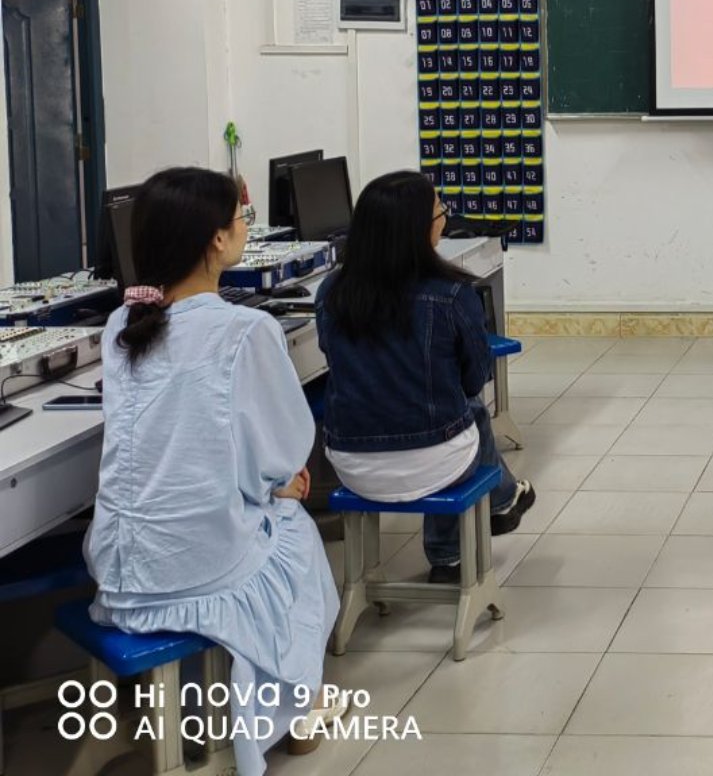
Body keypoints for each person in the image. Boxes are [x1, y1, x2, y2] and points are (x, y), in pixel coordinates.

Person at [85, 167, 341, 775]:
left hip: (118, 572)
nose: (247, 226)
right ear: (216, 240)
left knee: (266, 505)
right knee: (295, 532)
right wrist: (278, 484)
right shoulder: (245, 329)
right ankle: (298, 703)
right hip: (198, 570)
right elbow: (282, 448)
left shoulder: (122, 325)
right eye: (240, 218)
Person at [316, 171, 533, 582]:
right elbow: (475, 379)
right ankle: (460, 543)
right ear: (417, 229)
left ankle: (500, 504)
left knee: (455, 412)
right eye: (440, 212)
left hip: (351, 463)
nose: (445, 219)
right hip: (437, 461)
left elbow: (333, 356)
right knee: (468, 410)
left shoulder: (331, 292)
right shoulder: (452, 293)